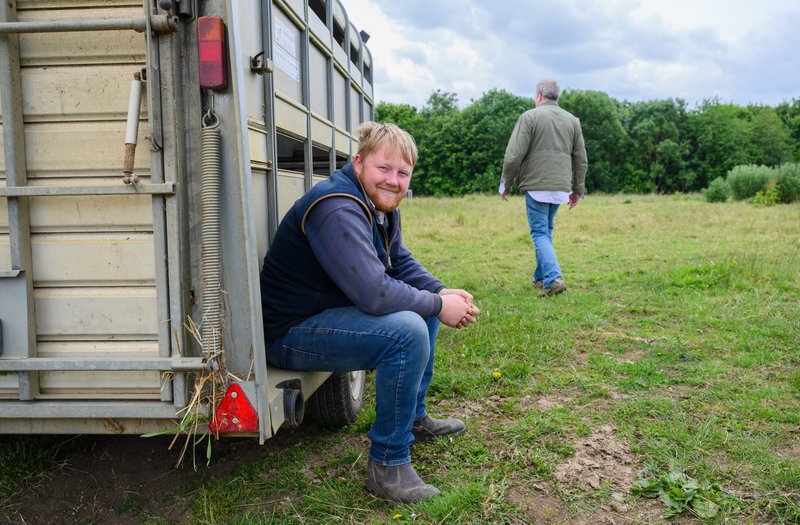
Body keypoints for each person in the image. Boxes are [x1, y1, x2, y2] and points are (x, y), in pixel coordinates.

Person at [260, 121, 480, 503]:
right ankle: (387, 465)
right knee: (407, 330)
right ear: (359, 163)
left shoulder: (377, 203)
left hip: (326, 316)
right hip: (291, 332)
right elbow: (374, 294)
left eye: (403, 173)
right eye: (384, 168)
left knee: (421, 304)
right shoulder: (336, 207)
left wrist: (440, 292)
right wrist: (440, 305)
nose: (394, 180)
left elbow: (400, 262)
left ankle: (413, 419)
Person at [499, 79, 588, 297]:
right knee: (545, 232)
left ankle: (553, 278)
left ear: (539, 95)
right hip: (560, 187)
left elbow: (513, 155)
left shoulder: (529, 117)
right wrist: (577, 189)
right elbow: (581, 159)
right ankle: (540, 278)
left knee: (539, 232)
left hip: (537, 185)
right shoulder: (573, 121)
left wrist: (505, 182)